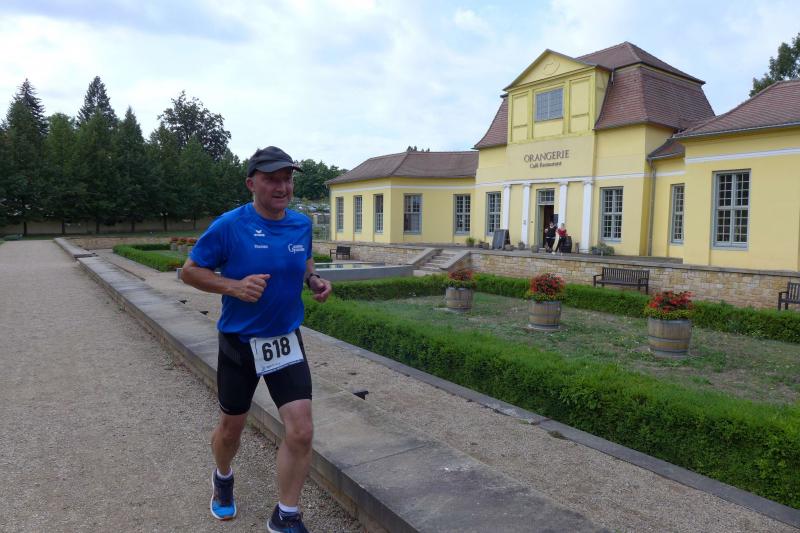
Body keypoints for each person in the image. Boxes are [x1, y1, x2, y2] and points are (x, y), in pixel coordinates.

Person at [181, 145, 332, 533]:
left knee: (302, 430)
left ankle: (286, 515)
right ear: (252, 184)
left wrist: (313, 279)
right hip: (240, 343)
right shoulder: (230, 225)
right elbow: (190, 271)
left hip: (285, 340)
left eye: (287, 179)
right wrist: (232, 286)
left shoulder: (300, 224)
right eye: (271, 179)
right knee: (231, 429)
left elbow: (304, 259)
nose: (282, 187)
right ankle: (223, 476)